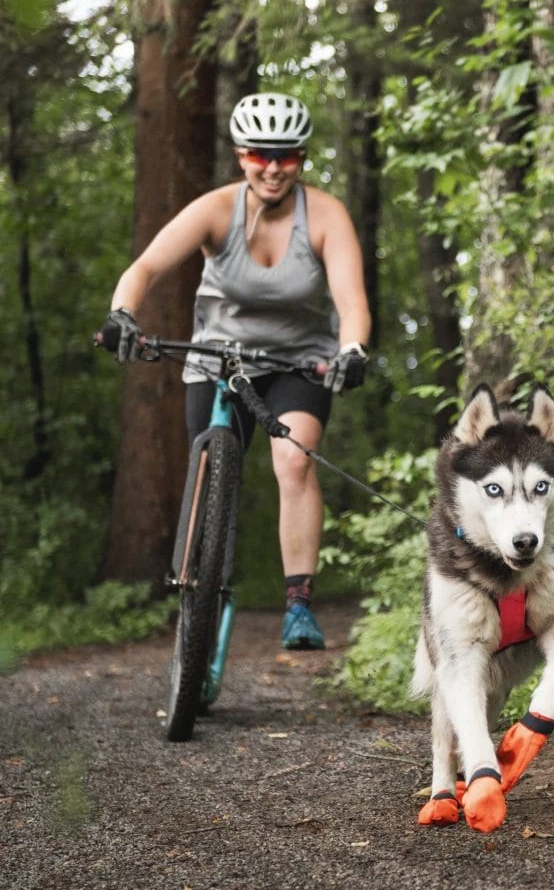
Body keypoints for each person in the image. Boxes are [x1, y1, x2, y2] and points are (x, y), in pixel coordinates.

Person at [100, 92, 371, 651]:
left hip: (297, 361)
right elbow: (145, 266)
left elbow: (352, 301)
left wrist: (353, 349)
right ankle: (194, 581)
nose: (272, 168)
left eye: (287, 156)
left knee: (293, 459)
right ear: (241, 155)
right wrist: (122, 316)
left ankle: (298, 603)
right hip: (217, 358)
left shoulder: (324, 215)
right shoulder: (215, 209)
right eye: (259, 154)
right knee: (208, 457)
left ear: (300, 158)